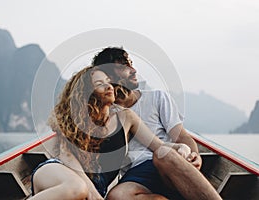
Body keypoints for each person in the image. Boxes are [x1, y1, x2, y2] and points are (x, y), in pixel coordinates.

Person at [30, 66, 191, 200]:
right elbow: (67, 157)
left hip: (94, 191)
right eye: (100, 83)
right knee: (77, 188)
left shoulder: (126, 117)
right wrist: (91, 191)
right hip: (59, 174)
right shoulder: (76, 120)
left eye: (109, 82)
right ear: (87, 92)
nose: (109, 86)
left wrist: (181, 147)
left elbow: (158, 146)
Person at [92, 47, 222, 200]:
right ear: (108, 76)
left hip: (169, 165)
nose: (133, 70)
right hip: (137, 174)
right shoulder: (107, 113)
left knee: (162, 155)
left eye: (131, 64)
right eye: (124, 66)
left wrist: (195, 155)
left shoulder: (157, 98)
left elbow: (181, 136)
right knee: (117, 196)